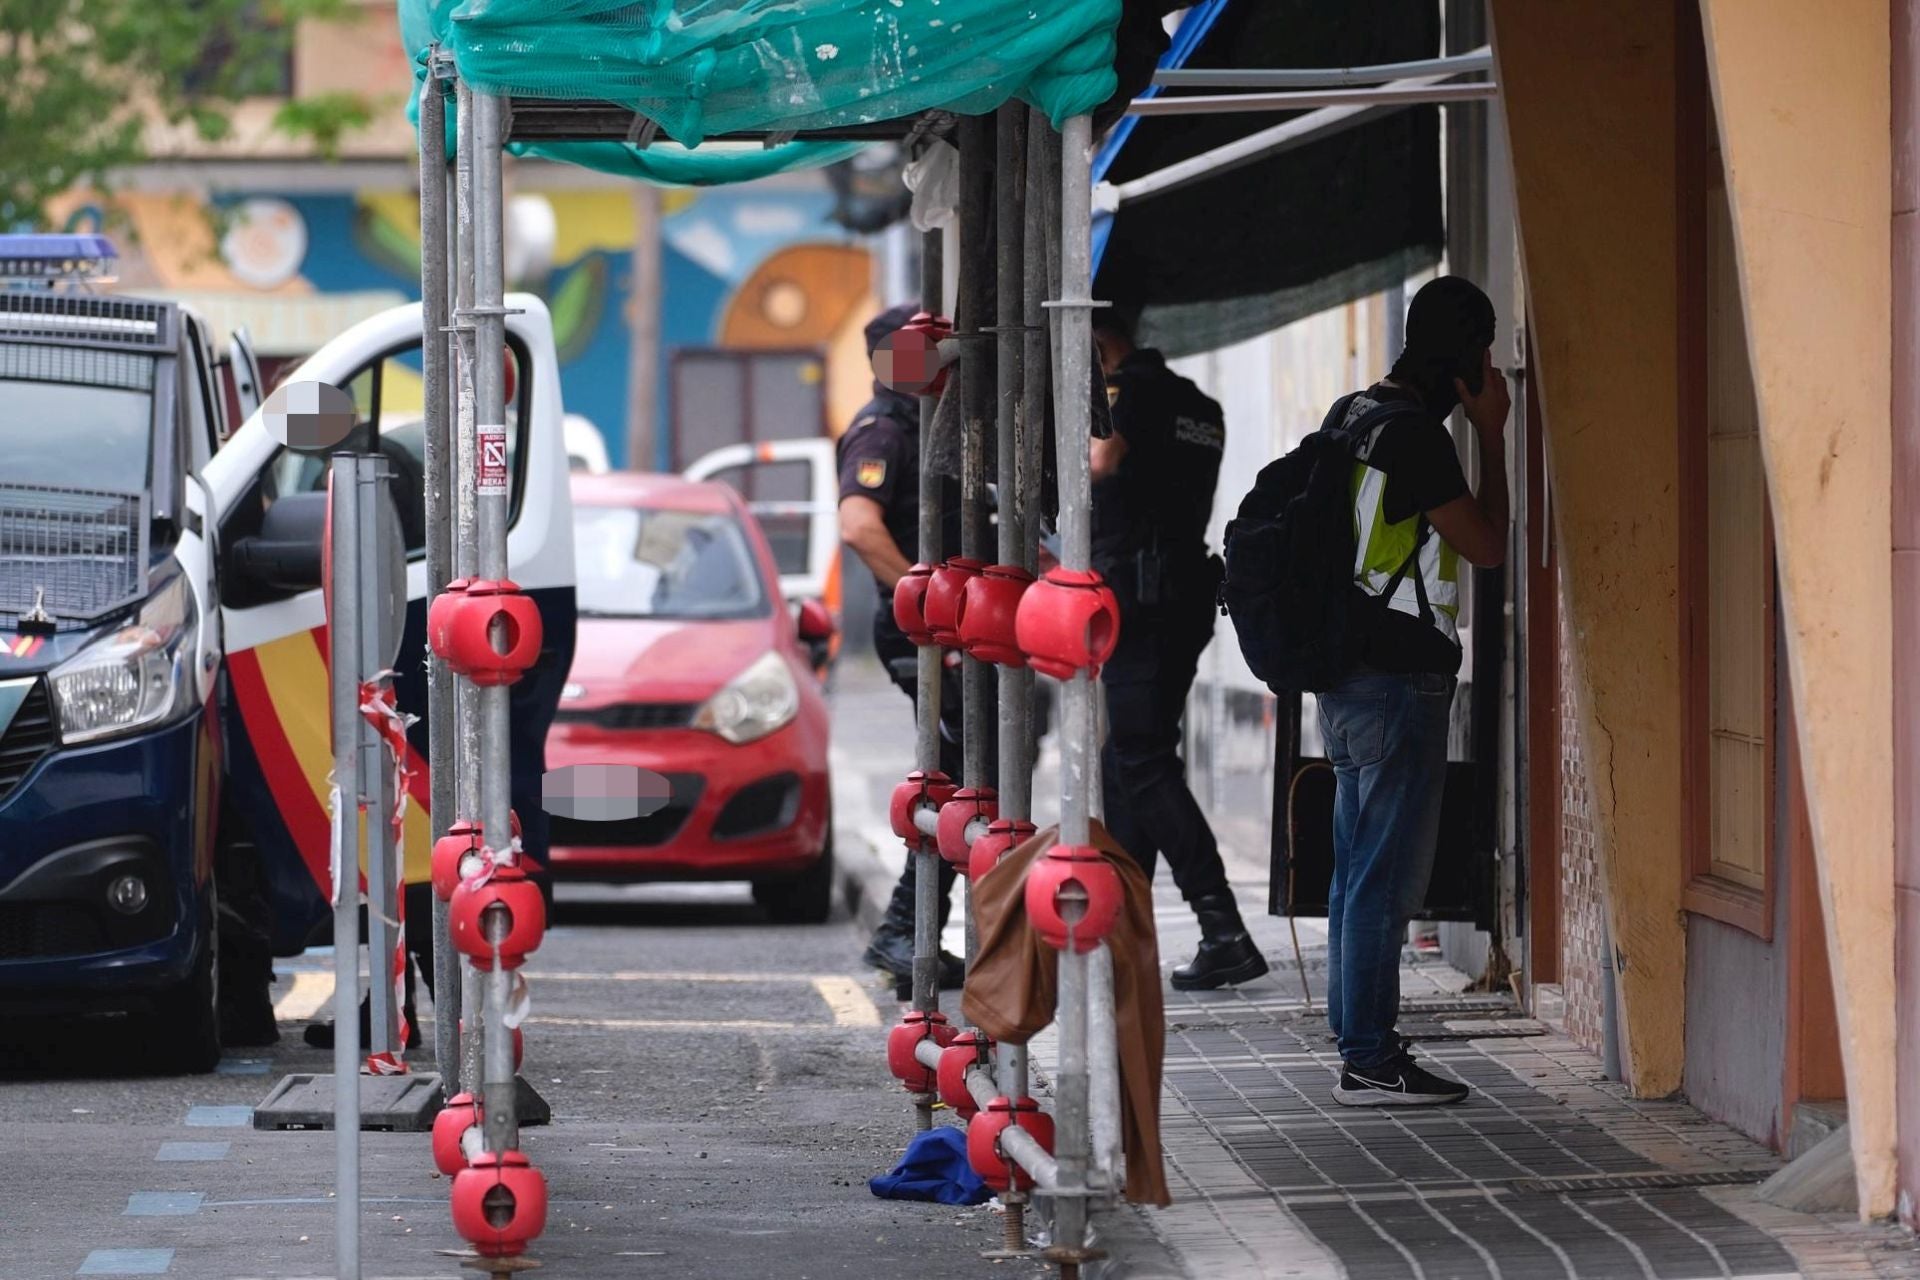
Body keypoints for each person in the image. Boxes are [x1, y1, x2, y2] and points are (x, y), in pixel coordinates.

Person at [1317, 276, 1509, 1107]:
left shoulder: (1350, 414)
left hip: (1345, 672)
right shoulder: (1419, 438)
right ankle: (1369, 1050)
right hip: (1398, 684)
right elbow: (1488, 546)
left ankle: (1358, 1038)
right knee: (1385, 878)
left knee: (1357, 867)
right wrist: (1494, 436)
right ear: (1467, 357)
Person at [1090, 309, 1268, 991]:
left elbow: (1102, 460)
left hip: (1142, 599)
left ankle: (1223, 929)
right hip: (1181, 597)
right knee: (1126, 761)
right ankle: (1124, 932)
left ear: (1102, 341)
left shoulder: (1131, 391)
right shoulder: (1202, 405)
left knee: (1142, 758)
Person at [838, 302, 970, 990]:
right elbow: (859, 526)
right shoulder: (884, 428)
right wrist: (927, 598)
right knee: (958, 772)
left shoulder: (931, 418)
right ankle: (901, 931)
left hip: (947, 630)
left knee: (961, 769)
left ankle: (909, 931)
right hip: (919, 633)